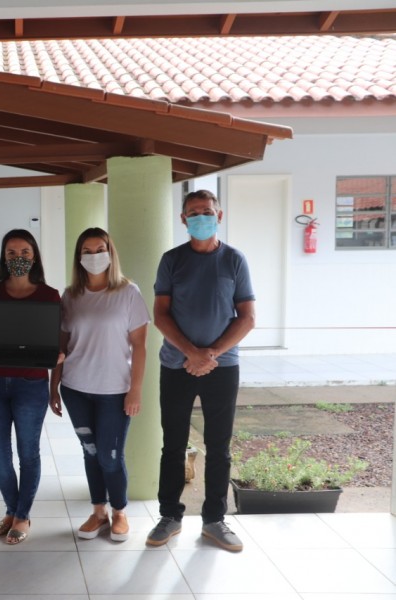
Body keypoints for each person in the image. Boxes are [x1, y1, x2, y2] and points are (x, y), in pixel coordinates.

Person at [147, 189, 255, 552]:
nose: (200, 218)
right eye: (193, 213)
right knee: (173, 445)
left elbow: (247, 317)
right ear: (183, 220)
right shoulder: (172, 260)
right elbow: (160, 314)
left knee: (219, 446)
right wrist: (191, 353)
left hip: (222, 367)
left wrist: (211, 354)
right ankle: (169, 516)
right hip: (176, 364)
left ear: (219, 215)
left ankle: (214, 521)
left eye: (207, 211)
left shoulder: (235, 260)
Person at [48, 228, 149, 543]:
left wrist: (135, 390)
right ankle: (98, 511)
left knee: (110, 456)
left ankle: (119, 511)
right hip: (76, 388)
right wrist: (54, 386)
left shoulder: (128, 292)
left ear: (110, 252)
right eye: (87, 251)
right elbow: (61, 346)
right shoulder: (71, 296)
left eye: (100, 249)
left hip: (115, 391)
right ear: (79, 257)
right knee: (90, 452)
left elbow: (140, 346)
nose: (94, 256)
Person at [0, 229, 60, 545]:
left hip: (31, 383)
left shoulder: (49, 296)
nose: (18, 258)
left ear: (34, 256)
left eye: (25, 252)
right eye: (11, 253)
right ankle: (13, 510)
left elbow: (57, 344)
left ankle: (22, 516)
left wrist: (55, 386)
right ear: (4, 257)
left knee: (28, 453)